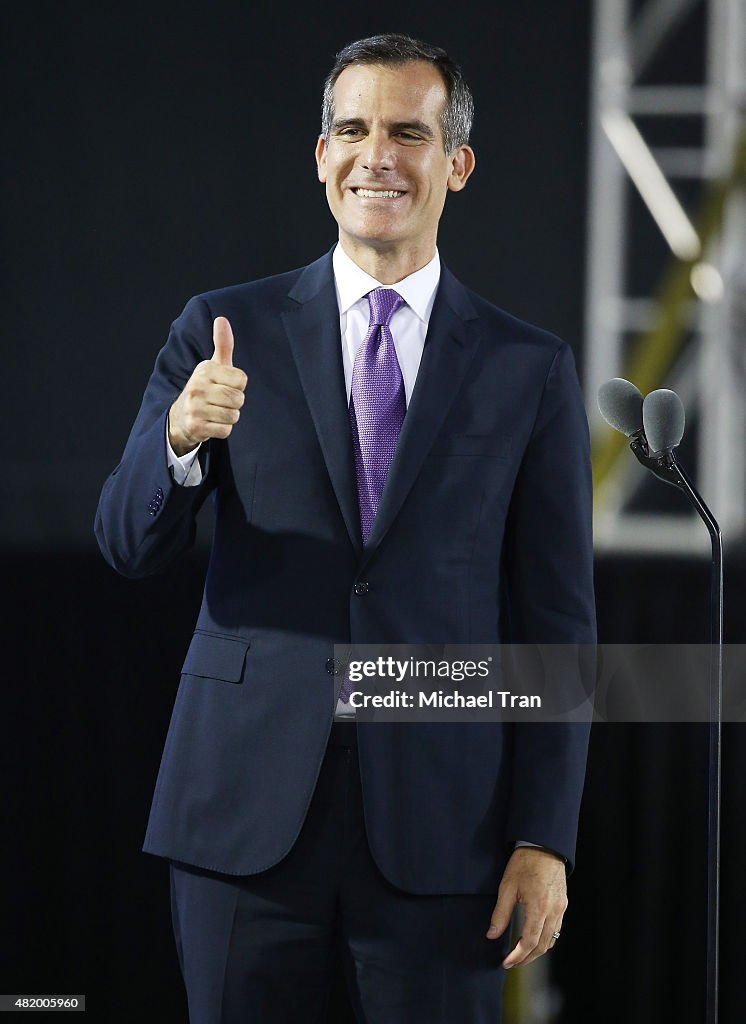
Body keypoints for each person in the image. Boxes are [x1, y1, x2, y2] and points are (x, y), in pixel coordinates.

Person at [95, 33, 596, 1024]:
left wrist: (544, 837)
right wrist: (179, 440)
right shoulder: (221, 329)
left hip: (440, 835)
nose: (377, 156)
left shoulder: (524, 368)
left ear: (453, 163)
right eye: (352, 130)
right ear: (319, 154)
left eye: (407, 132)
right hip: (239, 819)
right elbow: (125, 541)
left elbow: (556, 624)